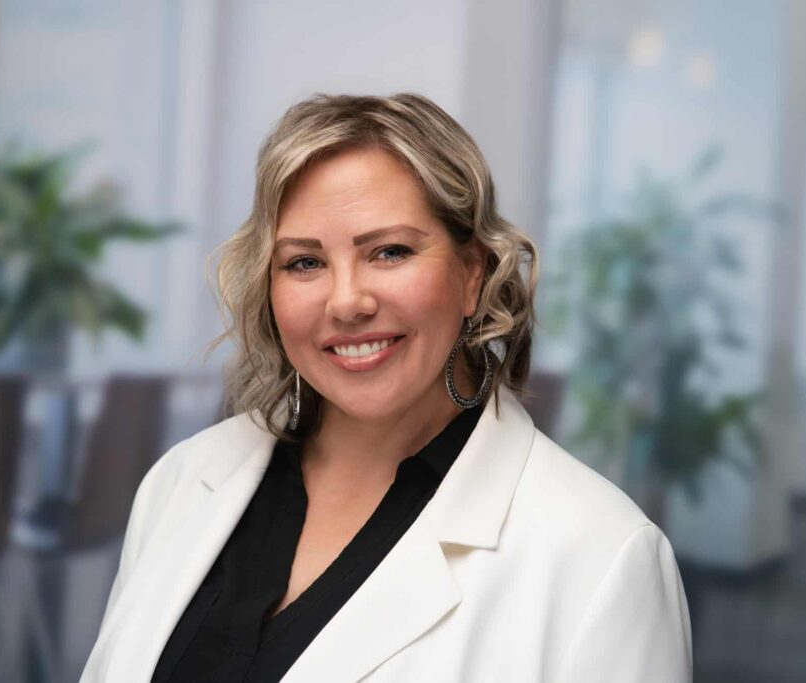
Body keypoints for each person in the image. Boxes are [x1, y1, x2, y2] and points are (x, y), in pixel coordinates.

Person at [81, 93, 692, 682]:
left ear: (473, 274)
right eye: (304, 262)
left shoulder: (601, 556)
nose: (347, 302)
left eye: (390, 252)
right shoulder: (182, 481)